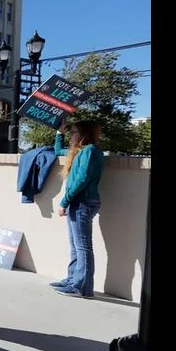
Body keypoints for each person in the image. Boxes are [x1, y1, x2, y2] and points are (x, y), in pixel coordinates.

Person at [50, 120, 104, 298]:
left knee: (83, 247)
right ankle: (73, 279)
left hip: (83, 203)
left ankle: (82, 288)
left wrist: (64, 201)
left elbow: (82, 179)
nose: (72, 136)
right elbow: (58, 151)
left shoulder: (89, 152)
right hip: (79, 203)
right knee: (75, 246)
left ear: (83, 134)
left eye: (73, 132)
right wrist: (60, 133)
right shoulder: (78, 152)